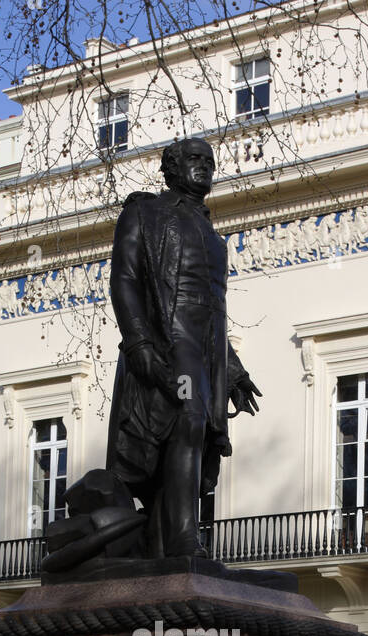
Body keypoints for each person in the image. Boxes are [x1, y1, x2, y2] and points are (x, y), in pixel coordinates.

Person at [106, 136, 261, 557]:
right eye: (195, 159)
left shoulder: (214, 239)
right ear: (172, 168)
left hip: (204, 353)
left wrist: (233, 371)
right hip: (167, 344)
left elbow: (213, 311)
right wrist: (138, 339)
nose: (205, 167)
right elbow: (124, 278)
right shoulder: (144, 213)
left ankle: (162, 544)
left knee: (198, 435)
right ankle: (183, 540)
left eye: (210, 161)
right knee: (189, 421)